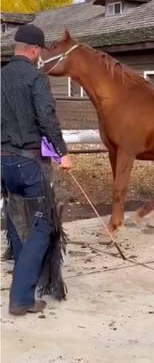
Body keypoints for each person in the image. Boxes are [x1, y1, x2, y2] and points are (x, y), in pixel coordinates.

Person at [1, 24, 72, 316]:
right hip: (28, 164)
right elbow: (46, 117)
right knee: (41, 228)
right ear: (34, 51)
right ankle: (21, 299)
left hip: (3, 163)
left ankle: (22, 277)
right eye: (40, 52)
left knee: (18, 221)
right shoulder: (35, 78)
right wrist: (63, 153)